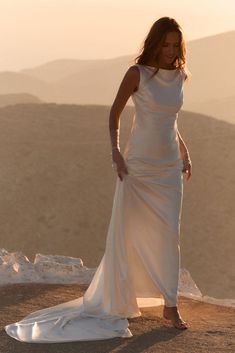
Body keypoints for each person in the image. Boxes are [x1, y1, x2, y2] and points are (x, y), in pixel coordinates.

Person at [5, 16, 192, 343]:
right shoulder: (137, 74)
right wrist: (115, 153)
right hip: (138, 167)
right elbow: (114, 115)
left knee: (169, 234)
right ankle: (126, 294)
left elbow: (171, 121)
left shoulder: (180, 75)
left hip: (168, 169)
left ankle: (170, 304)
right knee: (128, 230)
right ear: (155, 43)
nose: (170, 50)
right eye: (165, 44)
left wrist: (185, 152)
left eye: (175, 45)